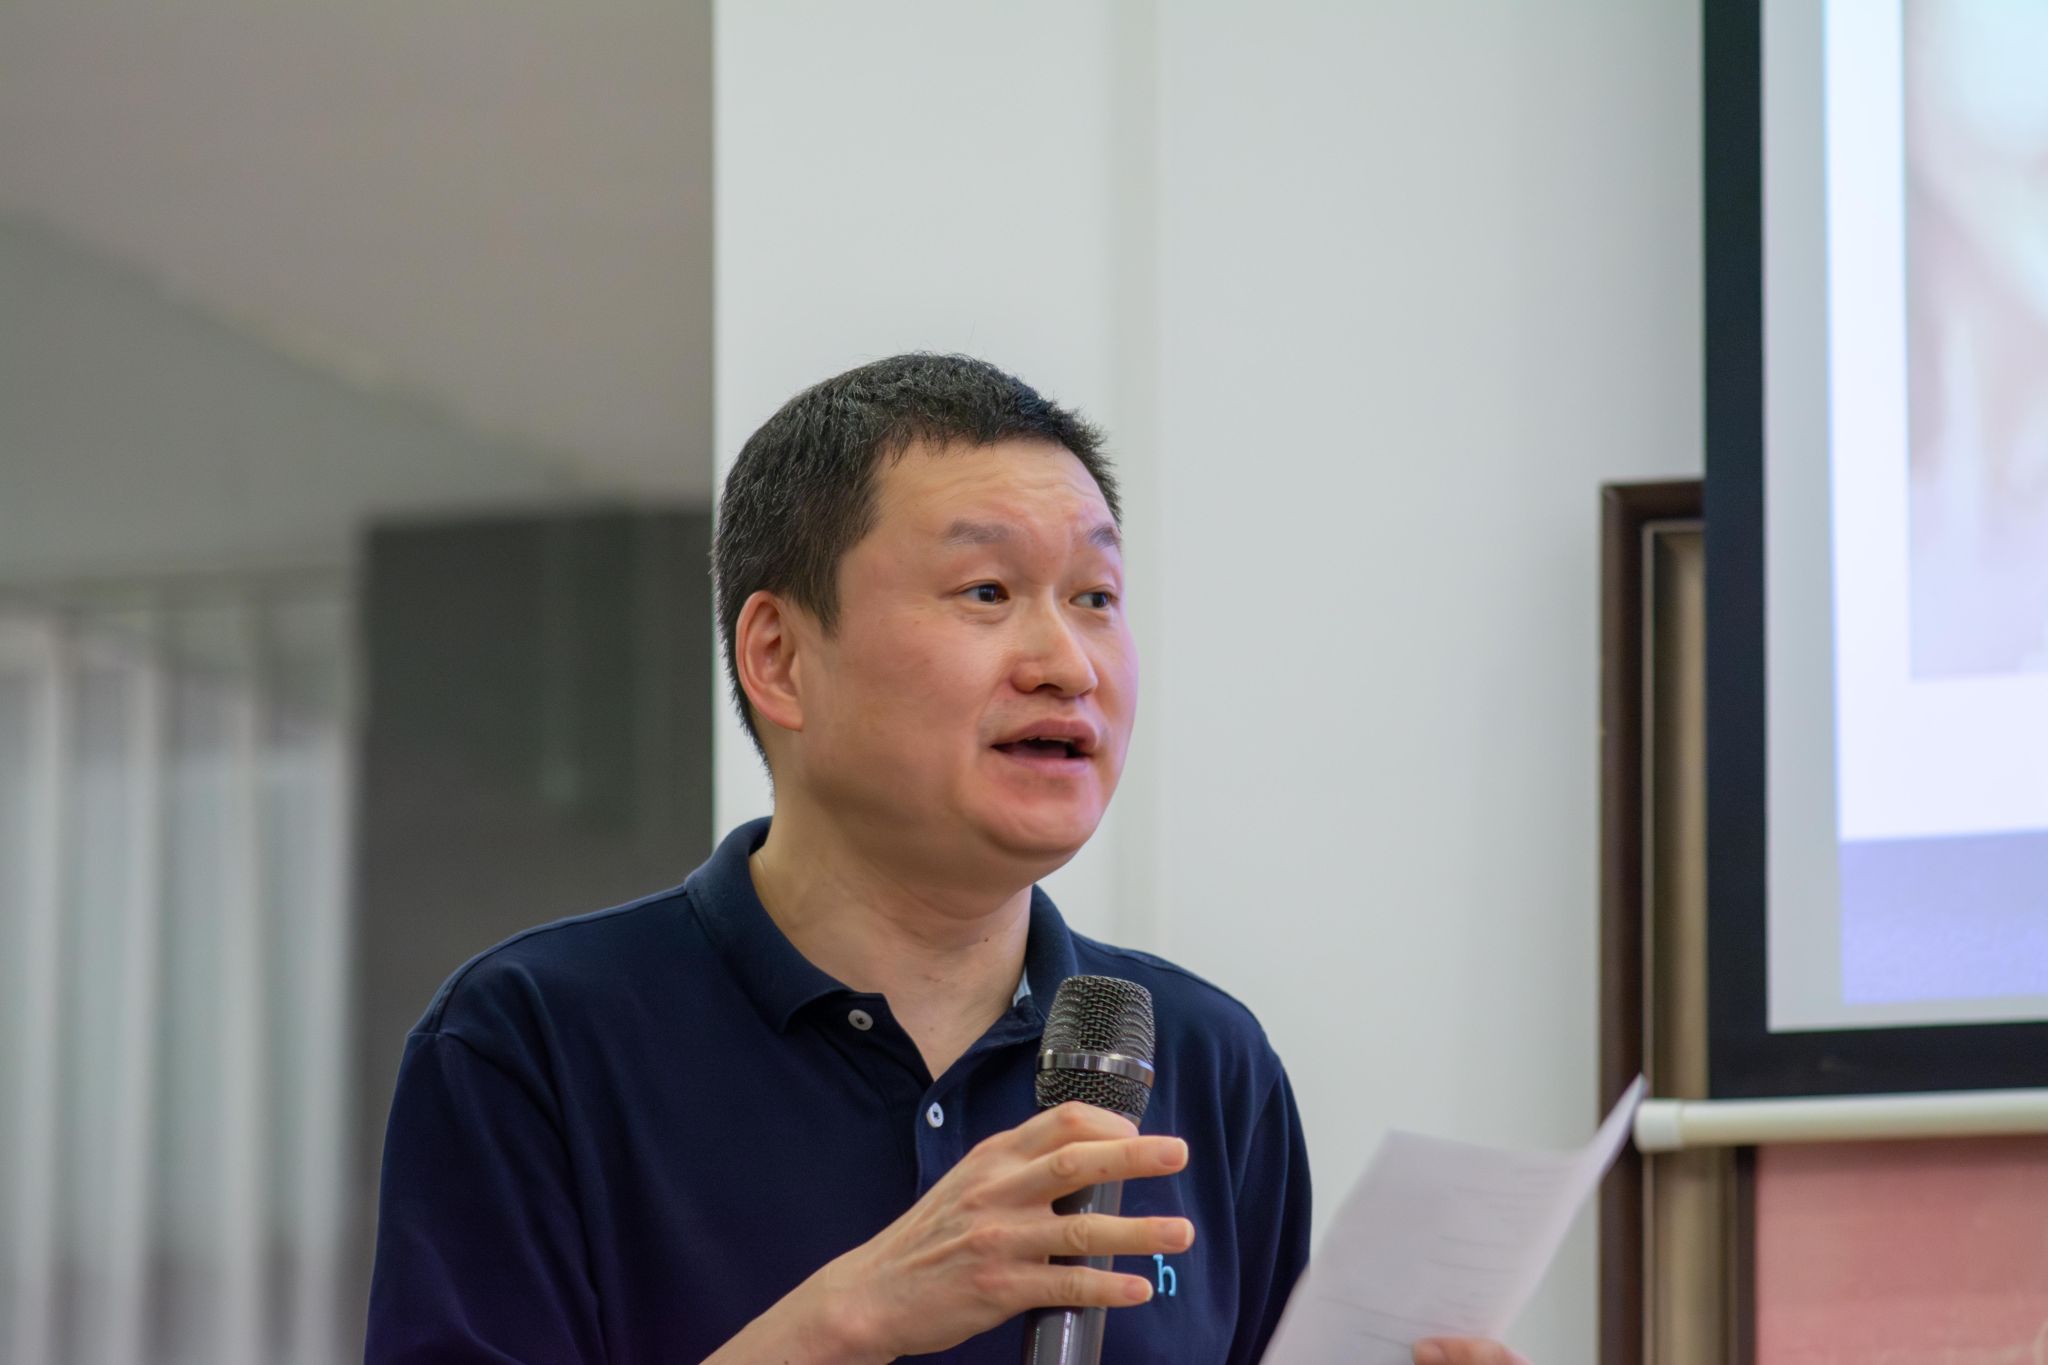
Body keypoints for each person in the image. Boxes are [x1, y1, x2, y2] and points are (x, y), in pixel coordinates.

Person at [365, 353, 1527, 1365]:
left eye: (1095, 596)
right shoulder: (533, 1040)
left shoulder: (1204, 1059)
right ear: (779, 658)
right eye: (986, 591)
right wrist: (851, 1318)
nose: (1067, 662)